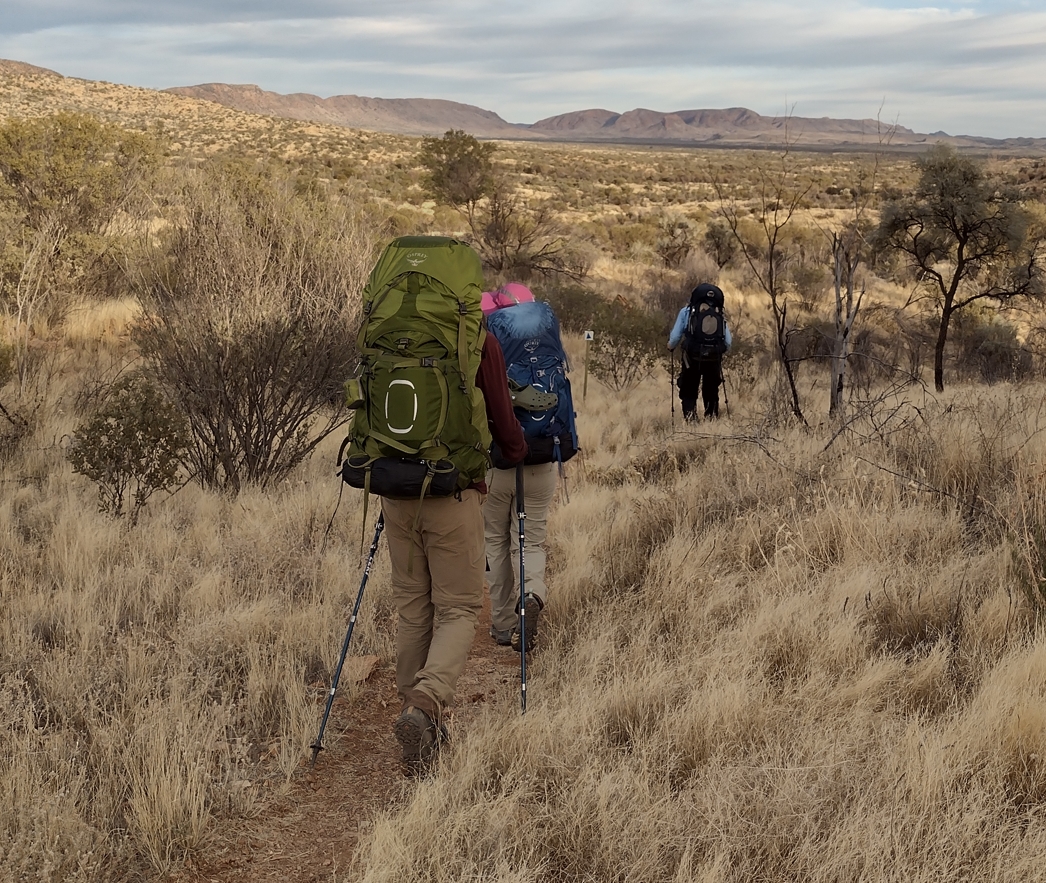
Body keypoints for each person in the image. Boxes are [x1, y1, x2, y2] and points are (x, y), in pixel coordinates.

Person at [384, 329, 527, 772]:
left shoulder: (390, 332)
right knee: (460, 606)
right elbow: (502, 414)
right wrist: (516, 448)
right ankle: (424, 706)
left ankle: (414, 705)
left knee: (412, 604)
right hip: (451, 490)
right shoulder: (475, 338)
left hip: (394, 486)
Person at [483, 291, 578, 653]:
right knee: (531, 538)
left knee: (496, 539)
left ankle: (504, 624)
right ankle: (532, 593)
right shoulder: (546, 340)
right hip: (543, 457)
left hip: (499, 462)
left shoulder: (488, 345)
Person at [667, 283, 732, 421]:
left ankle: (691, 420)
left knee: (689, 389)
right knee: (711, 390)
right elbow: (728, 342)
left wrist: (671, 346)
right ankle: (711, 419)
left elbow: (675, 337)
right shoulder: (719, 313)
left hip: (692, 357)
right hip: (714, 358)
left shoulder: (686, 311)